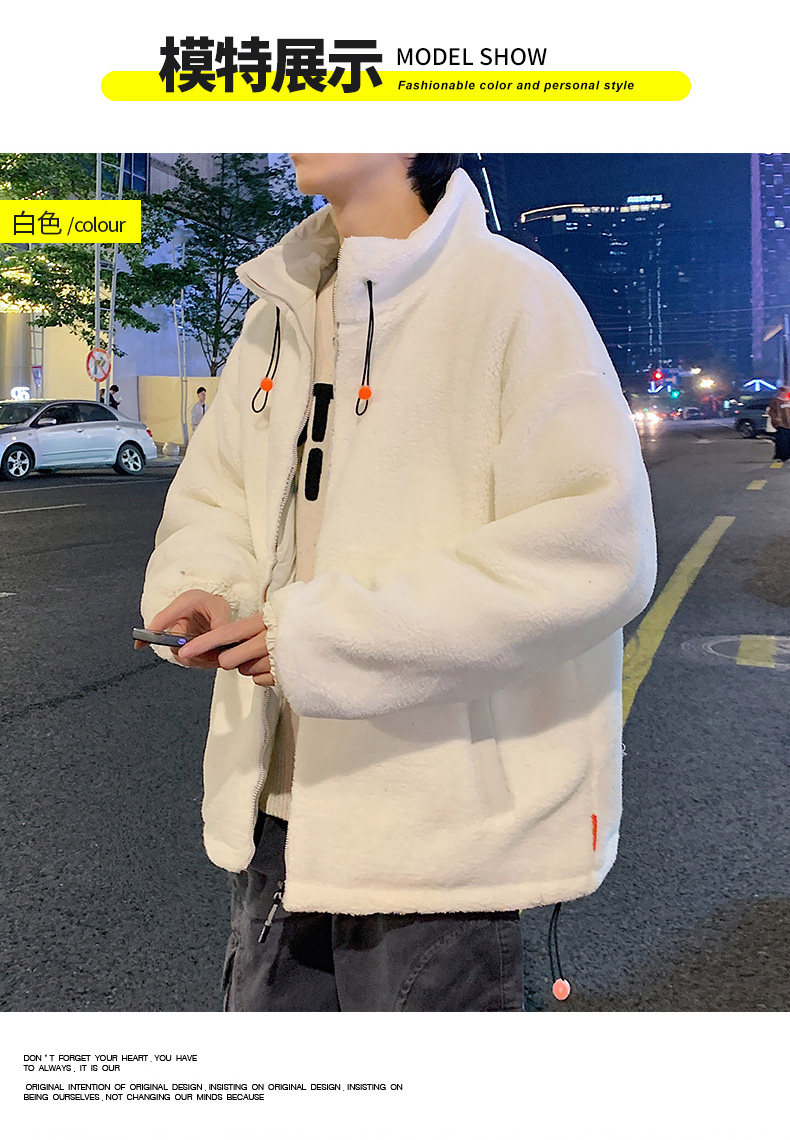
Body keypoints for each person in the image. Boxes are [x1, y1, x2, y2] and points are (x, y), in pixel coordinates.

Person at [137, 154, 657, 1012]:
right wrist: (210, 586)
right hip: (276, 818)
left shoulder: (514, 295)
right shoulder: (277, 312)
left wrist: (322, 639)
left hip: (438, 837)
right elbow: (217, 493)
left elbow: (595, 548)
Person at [768, 385, 790, 462]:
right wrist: (776, 420)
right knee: (782, 440)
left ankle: (788, 455)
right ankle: (781, 456)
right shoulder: (775, 401)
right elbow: (771, 412)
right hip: (782, 424)